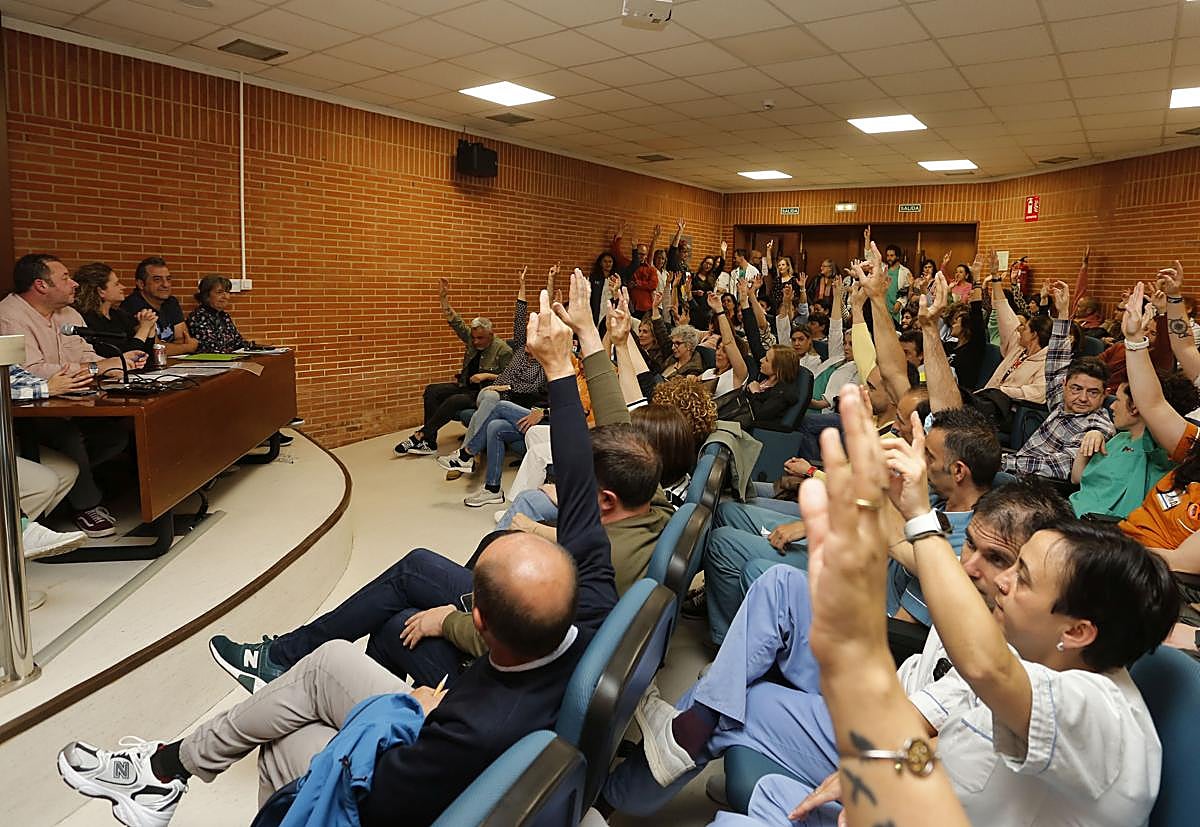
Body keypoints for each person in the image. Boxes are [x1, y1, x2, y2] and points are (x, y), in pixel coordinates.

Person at [58, 288, 619, 827]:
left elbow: (378, 800)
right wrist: (564, 365)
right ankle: (163, 771)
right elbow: (576, 479)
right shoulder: (592, 604)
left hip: (422, 768)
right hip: (471, 725)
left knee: (284, 741)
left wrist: (413, 711)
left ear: (476, 618)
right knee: (325, 661)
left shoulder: (473, 726)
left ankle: (166, 775)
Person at [612, 390, 1176, 827]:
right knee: (745, 709)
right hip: (895, 788)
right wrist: (876, 767)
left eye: (1019, 575)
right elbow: (933, 726)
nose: (995, 581)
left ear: (1077, 630)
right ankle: (613, 793)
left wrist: (916, 522)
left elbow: (980, 671)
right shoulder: (1026, 651)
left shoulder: (1102, 717)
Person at [0, 254, 146, 537]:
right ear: (41, 285)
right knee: (67, 436)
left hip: (71, 399)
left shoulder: (69, 314)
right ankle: (86, 504)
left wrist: (113, 368)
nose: (75, 284)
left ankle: (72, 490)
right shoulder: (9, 317)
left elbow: (85, 355)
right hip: (27, 410)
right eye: (66, 277)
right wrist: (98, 367)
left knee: (114, 435)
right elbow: (30, 371)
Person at [1070, 281, 1200, 518]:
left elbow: (1152, 404)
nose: (1113, 405)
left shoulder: (1163, 442)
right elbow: (1186, 347)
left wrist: (1135, 340)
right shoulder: (1121, 437)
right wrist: (1173, 298)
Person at [1002, 280, 1115, 481]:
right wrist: (1063, 313)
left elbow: (1060, 467)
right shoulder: (1062, 402)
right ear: (1064, 386)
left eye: (1093, 392)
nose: (1082, 398)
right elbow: (1055, 361)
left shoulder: (1097, 426)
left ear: (1105, 394)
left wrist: (1004, 462)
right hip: (1014, 468)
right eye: (1076, 388)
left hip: (1033, 486)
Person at [394, 278, 513, 456]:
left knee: (455, 400)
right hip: (465, 386)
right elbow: (455, 322)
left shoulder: (503, 349)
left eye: (480, 338)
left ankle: (421, 435)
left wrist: (487, 375)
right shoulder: (473, 341)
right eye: (473, 338)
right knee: (432, 391)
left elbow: (511, 379)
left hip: (483, 394)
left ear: (491, 335)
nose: (475, 341)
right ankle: (430, 442)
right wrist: (443, 299)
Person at [72, 262, 157, 354]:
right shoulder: (87, 320)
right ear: (101, 291)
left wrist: (150, 328)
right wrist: (144, 328)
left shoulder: (120, 315)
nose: (123, 287)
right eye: (116, 284)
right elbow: (125, 357)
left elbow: (146, 356)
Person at [120, 256, 198, 356]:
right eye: (157, 279)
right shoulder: (132, 305)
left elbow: (182, 338)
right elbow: (154, 348)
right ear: (141, 284)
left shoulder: (171, 302)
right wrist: (187, 348)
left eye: (168, 279)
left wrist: (171, 347)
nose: (165, 284)